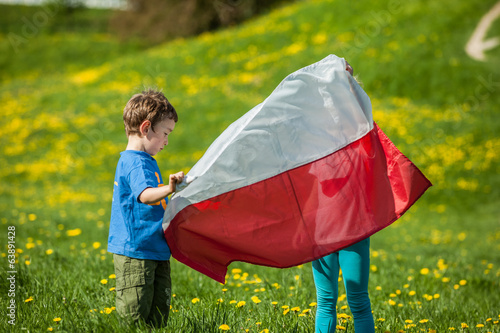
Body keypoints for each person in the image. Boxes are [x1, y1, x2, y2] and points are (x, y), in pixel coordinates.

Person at [107, 89, 184, 328]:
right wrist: (170, 188)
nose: (166, 141)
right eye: (164, 133)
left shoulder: (144, 161)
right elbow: (146, 196)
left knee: (157, 315)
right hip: (136, 252)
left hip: (153, 248)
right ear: (145, 127)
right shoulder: (135, 162)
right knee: (136, 315)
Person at [311, 62, 375, 333]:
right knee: (339, 301)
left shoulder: (360, 139)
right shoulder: (316, 145)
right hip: (330, 231)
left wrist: (346, 83)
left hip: (350, 229)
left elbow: (364, 111)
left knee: (347, 301)